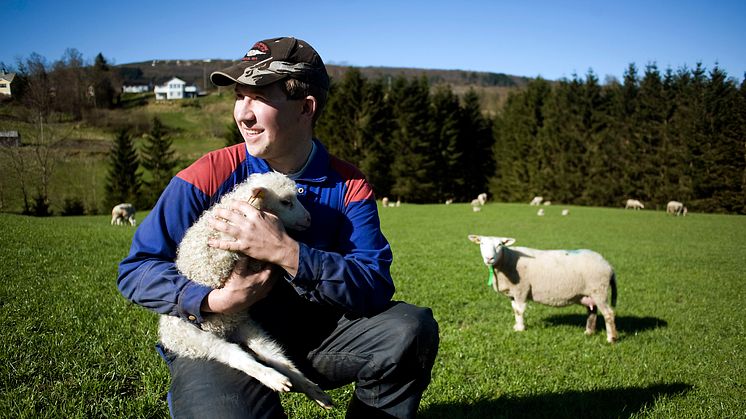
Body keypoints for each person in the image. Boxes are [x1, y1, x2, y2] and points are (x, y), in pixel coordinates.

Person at [117, 36, 439, 418]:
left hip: (315, 335)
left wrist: (289, 254)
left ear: (306, 108)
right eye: (239, 96)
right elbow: (137, 270)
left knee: (408, 329)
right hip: (219, 337)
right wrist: (213, 301)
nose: (243, 114)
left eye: (260, 98)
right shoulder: (207, 174)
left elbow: (374, 284)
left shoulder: (349, 185)